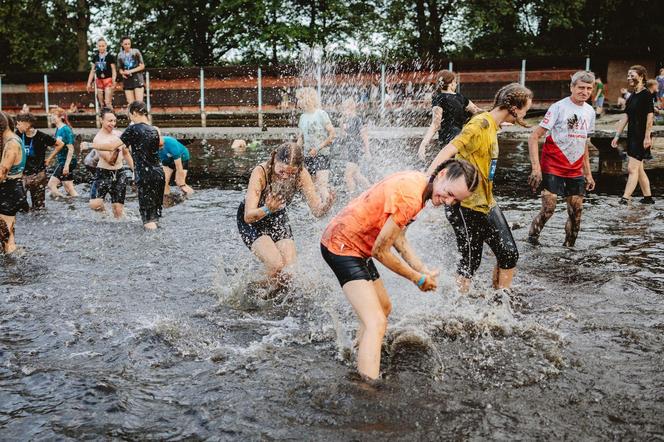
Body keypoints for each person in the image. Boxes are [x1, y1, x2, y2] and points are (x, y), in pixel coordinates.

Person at [321, 160, 478, 380]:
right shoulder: (411, 197)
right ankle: (366, 390)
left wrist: (422, 269)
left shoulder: (421, 185)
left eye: (455, 200)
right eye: (449, 193)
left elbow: (399, 238)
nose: (449, 202)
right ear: (442, 174)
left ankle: (360, 353)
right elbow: (381, 251)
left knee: (383, 308)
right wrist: (417, 279)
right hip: (342, 245)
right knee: (376, 321)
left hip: (357, 246)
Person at [426, 83, 533, 292]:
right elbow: (450, 148)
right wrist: (428, 178)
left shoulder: (492, 125)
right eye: (525, 109)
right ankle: (458, 307)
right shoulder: (480, 125)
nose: (525, 114)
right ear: (514, 107)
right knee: (469, 263)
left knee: (509, 254)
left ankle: (501, 302)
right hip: (464, 204)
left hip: (486, 202)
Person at [238, 142, 334, 285]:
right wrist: (267, 209)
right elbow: (248, 216)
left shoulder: (302, 175)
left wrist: (325, 206)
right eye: (281, 171)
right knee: (276, 265)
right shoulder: (261, 172)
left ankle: (275, 301)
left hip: (277, 216)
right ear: (274, 158)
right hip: (253, 221)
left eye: (291, 173)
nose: (285, 177)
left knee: (289, 272)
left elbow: (316, 211)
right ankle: (249, 291)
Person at [526, 71, 597, 247]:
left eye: (589, 88)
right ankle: (532, 240)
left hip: (574, 168)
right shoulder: (558, 107)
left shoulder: (590, 111)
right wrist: (536, 168)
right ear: (572, 87)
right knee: (549, 209)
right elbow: (534, 136)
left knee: (576, 212)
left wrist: (588, 173)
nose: (585, 91)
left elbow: (584, 143)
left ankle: (568, 250)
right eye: (581, 87)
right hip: (552, 165)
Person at [82, 101, 165, 230]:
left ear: (135, 113)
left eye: (130, 115)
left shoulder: (133, 129)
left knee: (147, 217)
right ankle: (157, 234)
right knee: (155, 213)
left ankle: (152, 245)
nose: (129, 118)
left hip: (145, 175)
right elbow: (161, 143)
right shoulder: (154, 129)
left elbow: (111, 147)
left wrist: (89, 145)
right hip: (159, 173)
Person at [611, 65, 655, 205]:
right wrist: (617, 135)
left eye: (632, 75)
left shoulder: (646, 95)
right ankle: (648, 198)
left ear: (641, 76)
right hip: (632, 136)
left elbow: (650, 117)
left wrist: (647, 136)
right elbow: (626, 117)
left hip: (642, 136)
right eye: (628, 75)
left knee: (632, 168)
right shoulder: (632, 96)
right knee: (639, 168)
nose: (629, 77)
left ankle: (626, 198)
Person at [418, 70, 481, 163]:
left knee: (448, 168)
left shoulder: (439, 97)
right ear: (451, 84)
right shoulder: (461, 98)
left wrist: (423, 144)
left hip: (447, 141)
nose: (455, 85)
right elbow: (478, 112)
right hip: (462, 140)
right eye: (455, 82)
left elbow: (436, 124)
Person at [89, 108, 134, 218]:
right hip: (103, 173)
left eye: (114, 121)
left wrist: (135, 170)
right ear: (101, 120)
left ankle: (119, 224)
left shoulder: (119, 134)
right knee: (95, 204)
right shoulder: (98, 139)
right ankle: (106, 215)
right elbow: (110, 161)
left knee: (118, 211)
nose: (113, 123)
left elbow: (126, 153)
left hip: (119, 173)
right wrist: (116, 149)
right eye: (110, 121)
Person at [14, 113, 64, 210]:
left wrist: (49, 158)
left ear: (27, 124)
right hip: (22, 175)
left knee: (39, 208)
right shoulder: (18, 134)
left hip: (38, 175)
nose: (17, 126)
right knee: (19, 205)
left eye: (19, 124)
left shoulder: (42, 136)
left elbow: (60, 144)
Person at [296, 87, 335, 201]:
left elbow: (332, 134)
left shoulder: (321, 114)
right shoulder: (302, 117)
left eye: (299, 99)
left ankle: (332, 213)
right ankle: (319, 212)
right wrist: (295, 154)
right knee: (312, 188)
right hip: (308, 156)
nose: (297, 102)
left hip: (322, 154)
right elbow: (301, 138)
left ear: (307, 99)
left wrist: (317, 148)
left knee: (322, 186)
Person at [0, 112, 27, 254]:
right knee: (7, 234)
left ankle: (13, 271)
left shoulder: (11, 144)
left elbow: (1, 175)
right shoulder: (14, 139)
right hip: (12, 190)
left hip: (10, 192)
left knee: (6, 237)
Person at [338, 97, 371, 194]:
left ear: (352, 107)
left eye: (345, 108)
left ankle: (352, 197)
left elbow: (364, 135)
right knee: (357, 175)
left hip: (356, 149)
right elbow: (343, 135)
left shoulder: (357, 119)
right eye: (343, 109)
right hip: (350, 149)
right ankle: (370, 189)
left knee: (347, 175)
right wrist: (341, 123)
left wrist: (367, 151)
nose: (344, 111)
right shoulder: (346, 120)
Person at [45, 107, 78, 198]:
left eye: (54, 115)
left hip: (67, 161)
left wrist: (66, 165)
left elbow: (71, 149)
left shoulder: (65, 129)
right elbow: (58, 146)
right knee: (69, 188)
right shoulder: (58, 129)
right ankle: (76, 201)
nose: (51, 117)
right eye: (51, 115)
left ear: (61, 117)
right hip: (63, 161)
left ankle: (64, 200)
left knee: (51, 185)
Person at [86, 37, 117, 109]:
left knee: (107, 102)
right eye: (99, 46)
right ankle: (102, 118)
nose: (101, 47)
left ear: (106, 46)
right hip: (99, 80)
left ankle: (112, 117)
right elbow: (92, 71)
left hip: (108, 80)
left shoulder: (110, 57)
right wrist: (89, 83)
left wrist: (113, 80)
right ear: (97, 46)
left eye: (103, 46)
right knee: (101, 103)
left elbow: (113, 70)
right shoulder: (95, 57)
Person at [117, 36, 145, 104]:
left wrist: (130, 71)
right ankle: (132, 114)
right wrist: (123, 73)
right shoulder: (120, 55)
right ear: (122, 44)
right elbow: (120, 68)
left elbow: (142, 66)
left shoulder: (135, 52)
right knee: (131, 104)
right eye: (125, 44)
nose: (127, 46)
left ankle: (141, 114)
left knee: (139, 103)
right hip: (127, 80)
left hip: (137, 78)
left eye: (129, 44)